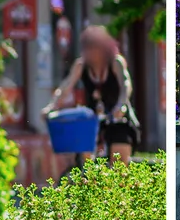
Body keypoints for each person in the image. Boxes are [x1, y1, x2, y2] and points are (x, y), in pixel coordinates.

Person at [44, 26, 138, 163]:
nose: (92, 53)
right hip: (93, 119)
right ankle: (89, 173)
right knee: (86, 154)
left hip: (118, 118)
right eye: (88, 49)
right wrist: (51, 106)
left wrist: (121, 105)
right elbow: (66, 86)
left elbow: (125, 85)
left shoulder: (115, 62)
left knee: (119, 161)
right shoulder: (81, 65)